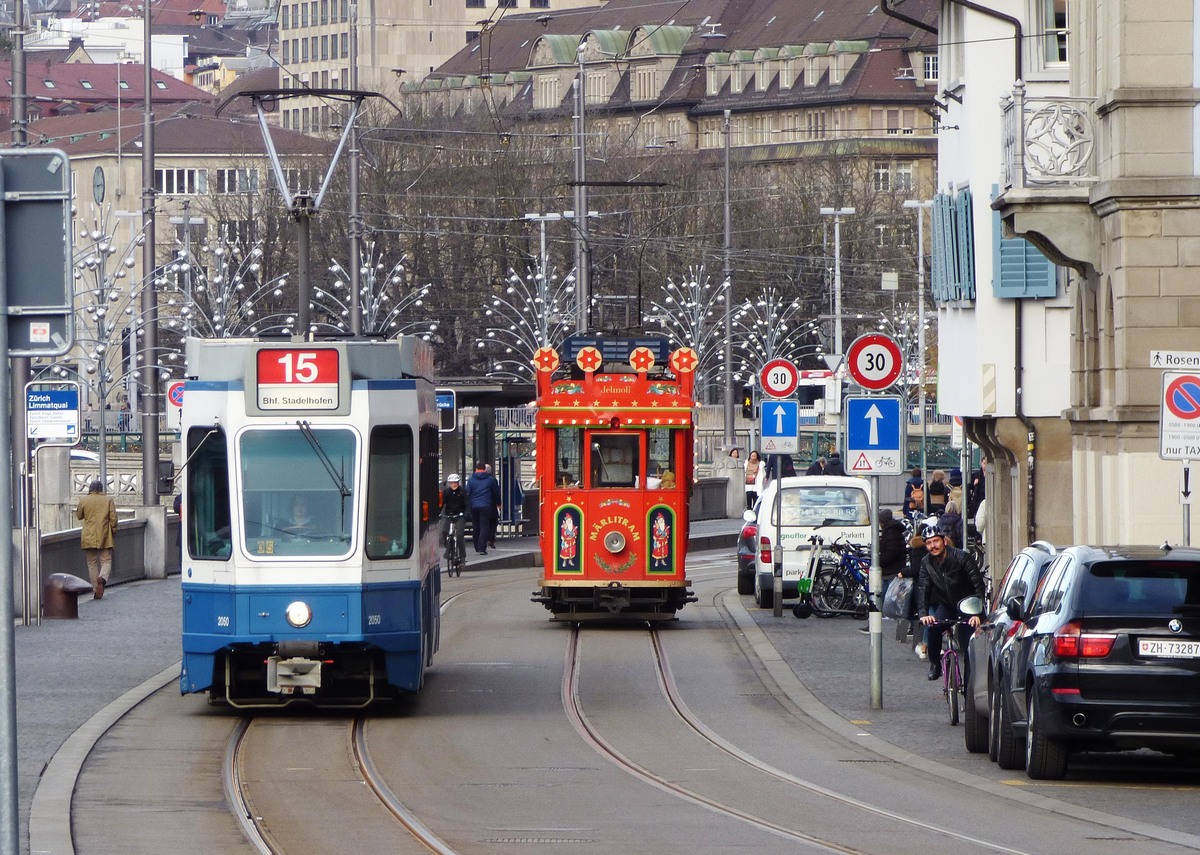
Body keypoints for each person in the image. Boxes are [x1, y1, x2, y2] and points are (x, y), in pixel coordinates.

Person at [917, 524, 986, 681]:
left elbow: (978, 585)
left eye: (936, 541)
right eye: (929, 543)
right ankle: (935, 664)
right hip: (947, 605)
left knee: (968, 645)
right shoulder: (926, 563)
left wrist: (977, 613)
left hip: (969, 606)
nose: (933, 546)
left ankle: (970, 684)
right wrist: (923, 614)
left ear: (944, 541)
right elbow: (923, 588)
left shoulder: (962, 557)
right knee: (933, 629)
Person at [860, 508, 908, 634]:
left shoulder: (890, 532)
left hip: (890, 572)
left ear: (881, 521)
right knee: (892, 602)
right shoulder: (893, 530)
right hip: (892, 571)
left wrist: (878, 562)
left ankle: (874, 626)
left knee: (885, 601)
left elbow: (891, 552)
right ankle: (901, 628)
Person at [76, 479, 117, 600]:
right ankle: (102, 578)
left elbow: (79, 516)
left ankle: (95, 588)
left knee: (91, 563)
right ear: (101, 489)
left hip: (88, 535)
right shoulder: (108, 500)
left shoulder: (84, 500)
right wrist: (113, 532)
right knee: (106, 560)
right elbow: (113, 519)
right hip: (104, 534)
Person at [466, 461, 501, 555]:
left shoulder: (471, 480)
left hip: (474, 506)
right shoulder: (490, 479)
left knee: (476, 526)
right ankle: (482, 548)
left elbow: (467, 493)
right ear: (484, 469)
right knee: (484, 526)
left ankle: (476, 546)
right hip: (486, 506)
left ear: (476, 469)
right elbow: (496, 493)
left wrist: (468, 505)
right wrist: (498, 503)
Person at [441, 474, 468, 567]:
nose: (454, 485)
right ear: (449, 484)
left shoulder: (463, 492)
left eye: (455, 482)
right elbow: (441, 504)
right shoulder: (446, 492)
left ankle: (462, 557)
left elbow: (467, 504)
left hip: (460, 515)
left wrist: (466, 514)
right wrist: (438, 513)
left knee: (459, 534)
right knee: (444, 531)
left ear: (458, 482)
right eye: (452, 483)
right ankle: (449, 549)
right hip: (448, 515)